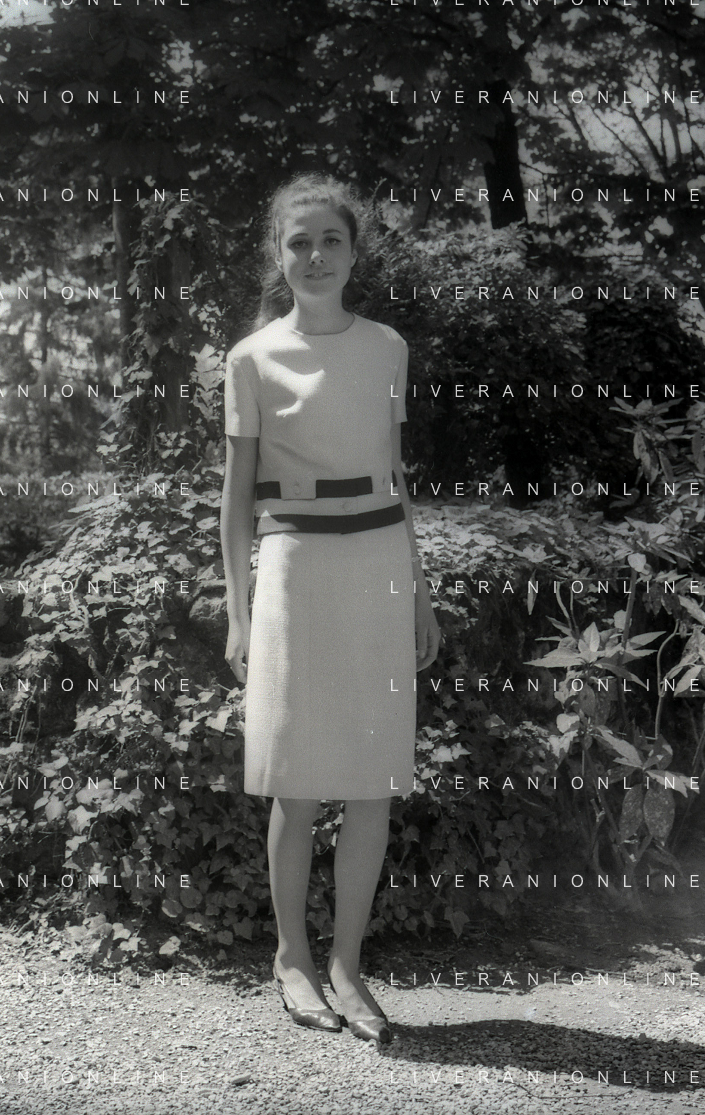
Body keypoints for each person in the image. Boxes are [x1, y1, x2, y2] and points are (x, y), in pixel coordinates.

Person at [220, 173, 441, 1044]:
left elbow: (396, 477)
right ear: (278, 256)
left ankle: (349, 965)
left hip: (379, 565)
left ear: (355, 252)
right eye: (299, 241)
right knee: (300, 779)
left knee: (373, 777)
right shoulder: (251, 358)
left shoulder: (387, 348)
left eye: (331, 240)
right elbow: (235, 500)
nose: (316, 255)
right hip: (295, 570)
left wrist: (421, 595)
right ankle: (293, 959)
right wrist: (239, 611)